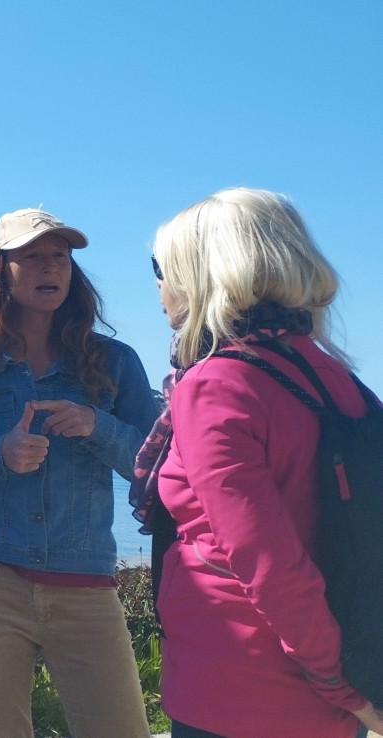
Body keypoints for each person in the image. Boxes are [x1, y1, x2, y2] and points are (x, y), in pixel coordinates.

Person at [140, 188, 383, 738]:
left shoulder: (216, 385)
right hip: (334, 680)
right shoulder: (338, 379)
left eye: (163, 266)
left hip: (239, 690)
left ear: (204, 271)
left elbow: (269, 564)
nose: (158, 283)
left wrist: (338, 683)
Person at [0, 207, 158, 738]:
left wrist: (97, 425)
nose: (50, 267)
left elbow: (159, 469)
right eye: (33, 257)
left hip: (85, 588)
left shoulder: (115, 362)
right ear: (1, 272)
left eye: (60, 257)